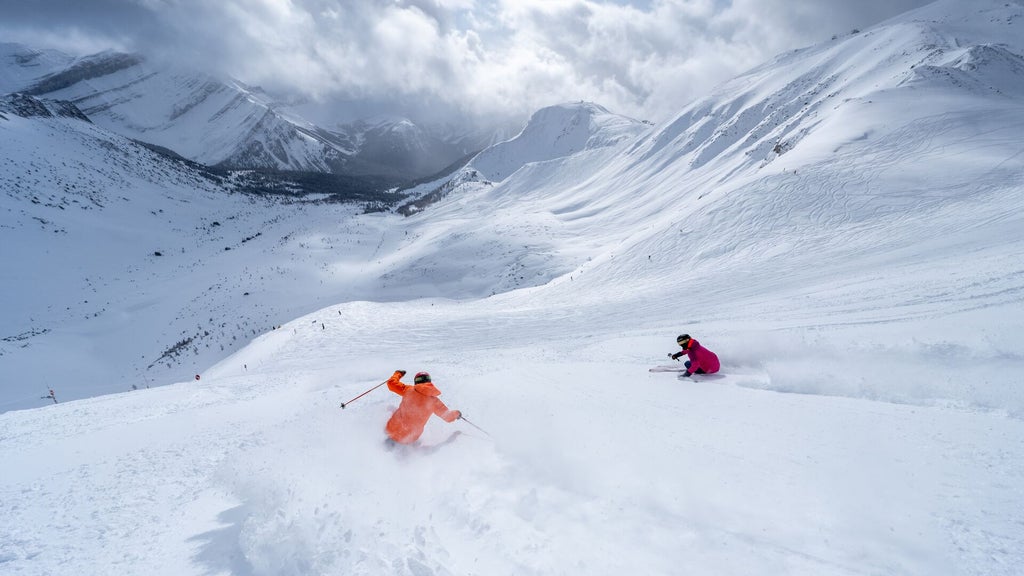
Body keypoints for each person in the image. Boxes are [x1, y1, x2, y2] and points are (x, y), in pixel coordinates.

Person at [384, 370, 462, 445]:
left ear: (416, 382)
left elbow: (391, 384)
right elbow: (448, 417)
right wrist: (457, 414)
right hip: (411, 438)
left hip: (392, 430)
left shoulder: (408, 390)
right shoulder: (434, 402)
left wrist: (398, 373)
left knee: (390, 409)